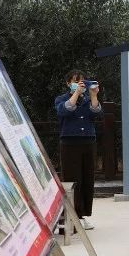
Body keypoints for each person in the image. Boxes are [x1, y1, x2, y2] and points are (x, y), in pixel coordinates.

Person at [55, 70, 103, 229]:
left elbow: (97, 113)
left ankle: (82, 216)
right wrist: (76, 93)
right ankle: (72, 216)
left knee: (87, 179)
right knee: (72, 179)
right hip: (69, 143)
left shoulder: (88, 99)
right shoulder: (61, 99)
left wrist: (94, 95)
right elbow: (65, 110)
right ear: (68, 83)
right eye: (76, 81)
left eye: (82, 81)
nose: (80, 84)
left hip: (88, 142)